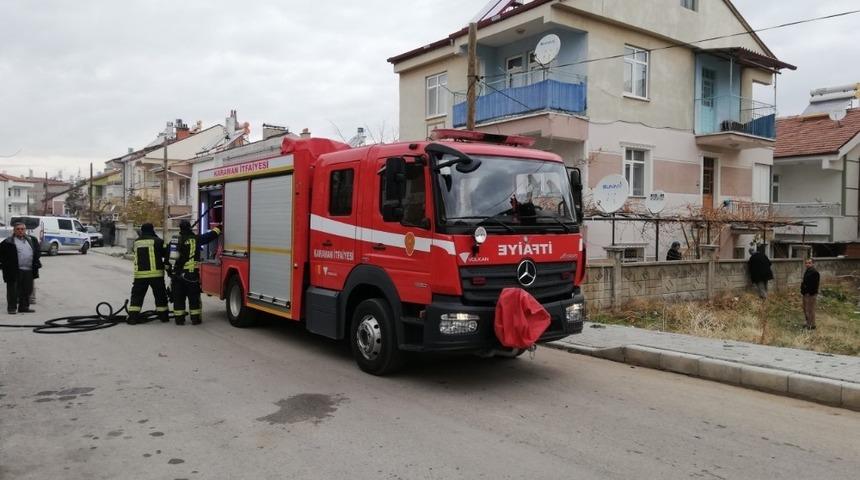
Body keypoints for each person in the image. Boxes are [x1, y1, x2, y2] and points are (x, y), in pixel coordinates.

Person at [171, 220, 221, 325]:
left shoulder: (175, 240)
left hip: (177, 274)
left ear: (180, 229)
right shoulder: (196, 239)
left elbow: (168, 256)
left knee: (179, 297)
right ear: (189, 228)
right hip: (191, 275)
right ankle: (195, 319)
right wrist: (219, 228)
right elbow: (210, 236)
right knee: (193, 297)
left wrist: (170, 271)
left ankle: (179, 319)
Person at [128, 223, 169, 324]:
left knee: (137, 296)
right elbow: (165, 253)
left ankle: (133, 317)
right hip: (156, 275)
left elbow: (133, 251)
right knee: (160, 296)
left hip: (140, 275)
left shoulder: (136, 242)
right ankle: (163, 316)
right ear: (152, 230)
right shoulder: (158, 241)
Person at [0, 222, 41, 314]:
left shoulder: (32, 240)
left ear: (25, 230)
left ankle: (24, 307)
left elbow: (37, 251)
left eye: (22, 229)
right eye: (18, 229)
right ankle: (12, 308)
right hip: (14, 270)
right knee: (13, 291)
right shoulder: (8, 242)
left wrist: (36, 261)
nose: (20, 231)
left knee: (27, 289)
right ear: (14, 230)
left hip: (29, 269)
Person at [800, 258, 820, 330]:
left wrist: (810, 293)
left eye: (809, 263)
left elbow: (815, 285)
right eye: (806, 263)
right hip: (805, 293)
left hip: (811, 294)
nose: (807, 264)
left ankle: (812, 325)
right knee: (805, 308)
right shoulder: (807, 271)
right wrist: (803, 291)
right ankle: (808, 322)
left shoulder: (814, 272)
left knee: (810, 309)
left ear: (812, 264)